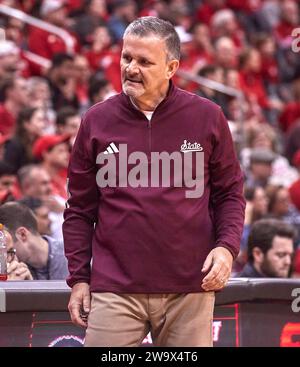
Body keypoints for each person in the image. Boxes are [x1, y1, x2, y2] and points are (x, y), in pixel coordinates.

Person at [63, 16, 245, 347]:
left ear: (171, 67)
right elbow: (78, 209)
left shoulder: (207, 117)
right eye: (126, 57)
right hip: (115, 288)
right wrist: (78, 278)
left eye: (145, 61)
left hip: (190, 286)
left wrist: (226, 247)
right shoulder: (96, 121)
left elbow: (230, 193)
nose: (131, 68)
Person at [0, 202, 68, 280]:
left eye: (8, 251)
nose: (6, 259)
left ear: (22, 234)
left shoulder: (74, 255)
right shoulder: (17, 272)